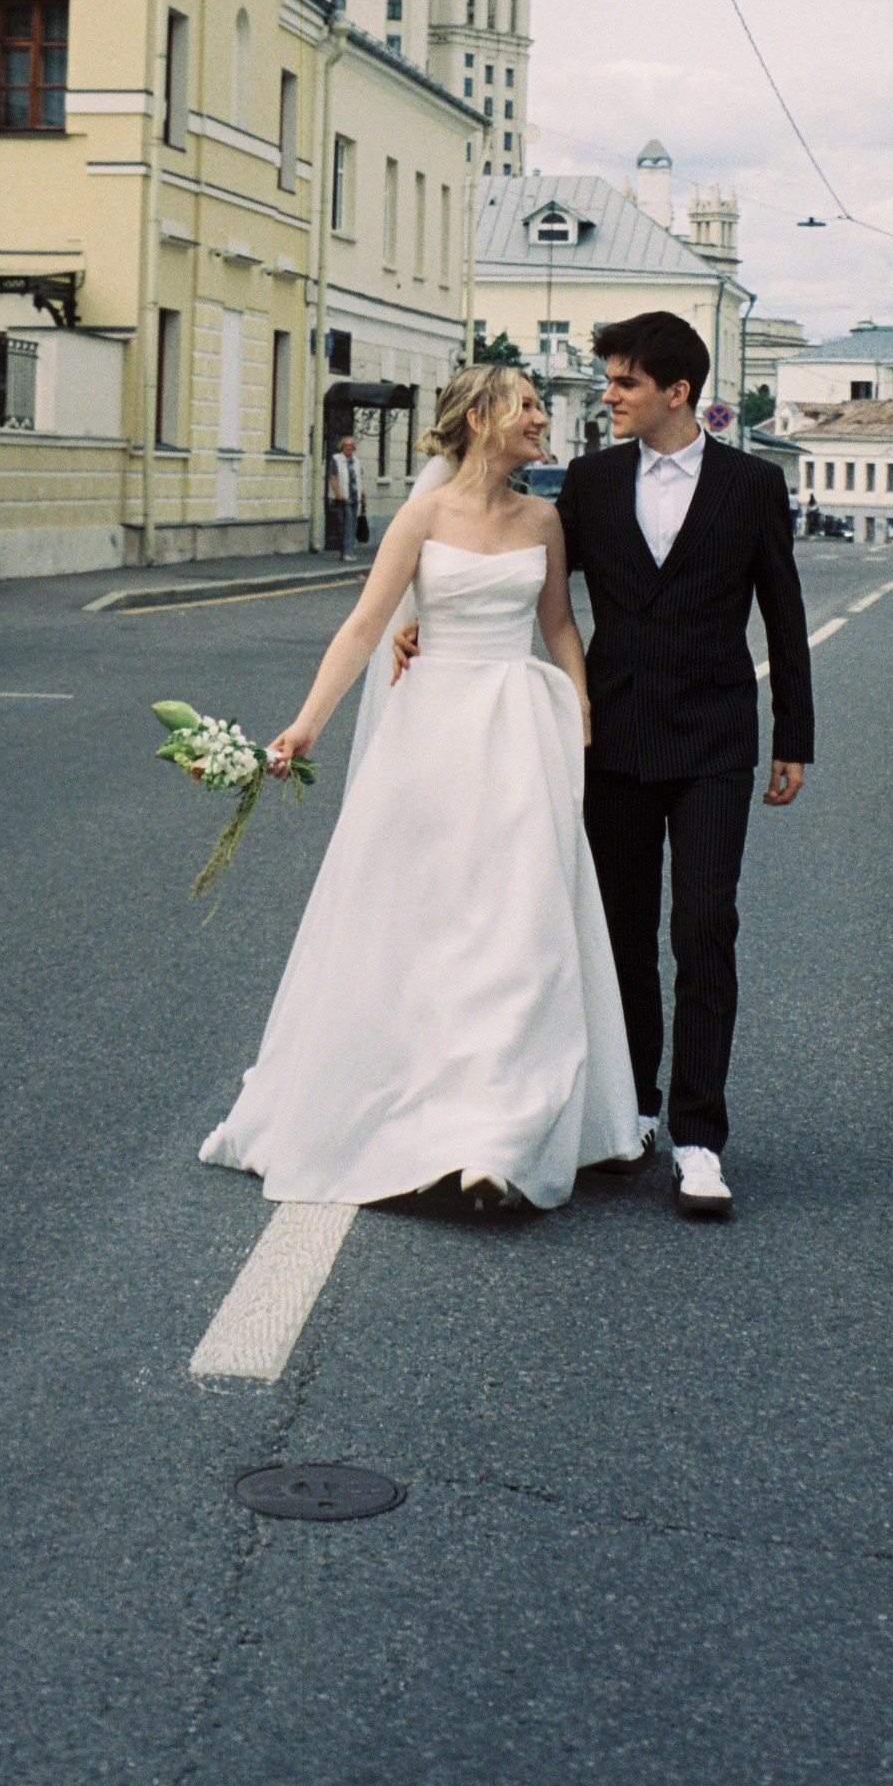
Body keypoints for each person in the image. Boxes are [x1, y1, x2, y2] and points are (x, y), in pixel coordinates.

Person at [199, 365, 640, 1214]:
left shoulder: (544, 519)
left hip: (514, 733)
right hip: (430, 733)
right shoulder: (423, 516)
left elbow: (556, 624)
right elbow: (367, 620)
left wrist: (577, 704)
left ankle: (494, 1139)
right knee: (424, 923)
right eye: (529, 408)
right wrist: (304, 725)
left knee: (515, 932)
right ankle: (418, 1113)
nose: (544, 420)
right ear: (480, 418)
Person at [552, 310, 815, 1223]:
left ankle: (700, 1138)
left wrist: (794, 737)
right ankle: (636, 1109)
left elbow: (782, 611)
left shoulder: (750, 484)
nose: (608, 396)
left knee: (704, 924)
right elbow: (535, 588)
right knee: (620, 932)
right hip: (613, 739)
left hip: (713, 740)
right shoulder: (587, 482)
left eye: (623, 382)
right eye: (607, 381)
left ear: (677, 391)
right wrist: (428, 613)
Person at [322, 427, 362, 557]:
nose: (349, 447)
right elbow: (332, 477)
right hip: (343, 498)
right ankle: (346, 553)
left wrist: (364, 495)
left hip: (355, 497)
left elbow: (359, 478)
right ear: (342, 447)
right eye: (346, 445)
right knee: (346, 525)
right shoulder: (336, 459)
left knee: (352, 525)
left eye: (351, 445)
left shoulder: (356, 461)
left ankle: (348, 551)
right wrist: (338, 493)